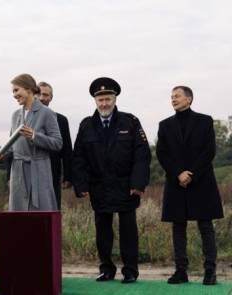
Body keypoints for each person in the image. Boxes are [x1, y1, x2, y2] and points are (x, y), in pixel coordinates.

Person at [72, 77, 151, 283]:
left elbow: (142, 155)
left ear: (115, 99)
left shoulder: (130, 121)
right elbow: (78, 157)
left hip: (126, 187)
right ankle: (106, 269)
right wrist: (81, 185)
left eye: (108, 99)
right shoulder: (86, 125)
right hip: (99, 187)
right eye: (100, 100)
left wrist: (138, 183)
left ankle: (130, 271)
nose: (104, 103)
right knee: (103, 233)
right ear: (95, 101)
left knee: (128, 232)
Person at [156, 86, 223, 285]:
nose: (173, 99)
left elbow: (209, 151)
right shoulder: (164, 125)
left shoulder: (205, 121)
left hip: (201, 181)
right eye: (171, 97)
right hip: (176, 181)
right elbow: (162, 153)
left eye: (177, 96)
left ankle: (210, 272)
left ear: (189, 99)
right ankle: (181, 272)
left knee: (205, 226)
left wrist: (191, 174)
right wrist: (178, 173)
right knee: (178, 226)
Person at [0, 73, 62, 211]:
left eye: (16, 90)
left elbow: (58, 143)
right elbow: (13, 143)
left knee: (41, 218)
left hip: (39, 171)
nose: (14, 95)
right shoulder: (15, 115)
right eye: (13, 91)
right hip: (18, 173)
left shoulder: (47, 113)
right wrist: (5, 153)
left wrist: (35, 136)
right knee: (19, 218)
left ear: (28, 89)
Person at [38, 81, 73, 210]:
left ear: (51, 98)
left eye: (46, 95)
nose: (42, 98)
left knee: (53, 209)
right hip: (30, 173)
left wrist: (68, 176)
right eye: (39, 94)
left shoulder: (61, 120)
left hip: (53, 172)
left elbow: (67, 150)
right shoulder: (24, 118)